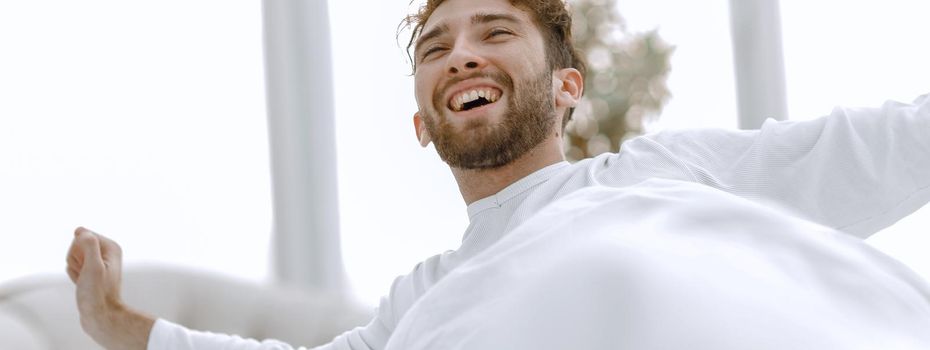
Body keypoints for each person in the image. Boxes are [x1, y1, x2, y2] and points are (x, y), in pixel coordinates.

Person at [66, 0, 930, 348]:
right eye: (436, 48)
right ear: (421, 123)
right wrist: (119, 327)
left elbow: (883, 146)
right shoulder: (421, 305)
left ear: (566, 89)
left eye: (493, 33)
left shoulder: (667, 172)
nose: (460, 54)